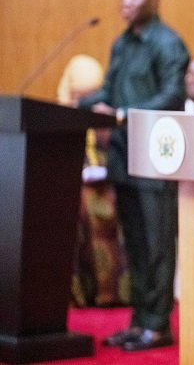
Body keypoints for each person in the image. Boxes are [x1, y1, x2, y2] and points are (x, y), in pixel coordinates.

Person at [80, 0, 190, 352]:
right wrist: (80, 105)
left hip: (157, 159)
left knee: (157, 245)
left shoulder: (168, 43)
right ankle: (139, 322)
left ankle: (158, 325)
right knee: (136, 248)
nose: (127, 1)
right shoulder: (120, 45)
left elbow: (172, 96)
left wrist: (124, 111)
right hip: (123, 157)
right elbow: (108, 90)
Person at [58, 54, 128, 308]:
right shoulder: (58, 115)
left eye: (90, 94)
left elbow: (116, 152)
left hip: (108, 185)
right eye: (78, 95)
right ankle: (80, 291)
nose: (84, 102)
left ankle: (110, 292)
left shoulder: (104, 114)